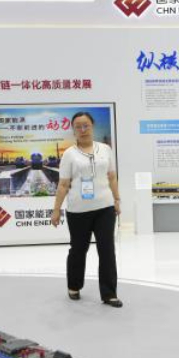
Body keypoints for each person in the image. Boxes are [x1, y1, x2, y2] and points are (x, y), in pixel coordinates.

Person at [52, 111, 124, 308]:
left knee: (107, 250)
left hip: (105, 207)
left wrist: (117, 199)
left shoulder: (105, 149)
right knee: (78, 249)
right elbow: (63, 185)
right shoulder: (69, 154)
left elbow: (111, 177)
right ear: (73, 130)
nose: (83, 130)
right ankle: (74, 286)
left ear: (93, 127)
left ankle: (109, 294)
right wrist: (56, 210)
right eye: (78, 127)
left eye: (86, 126)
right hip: (78, 211)